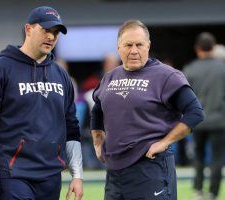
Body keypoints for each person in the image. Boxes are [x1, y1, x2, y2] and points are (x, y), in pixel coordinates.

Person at [0, 6, 83, 200]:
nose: (51, 37)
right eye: (46, 30)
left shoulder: (62, 76)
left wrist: (77, 175)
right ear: (28, 29)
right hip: (11, 173)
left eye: (55, 32)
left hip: (50, 175)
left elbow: (71, 127)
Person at [91, 20, 205, 200]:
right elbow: (97, 109)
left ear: (148, 46)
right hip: (114, 173)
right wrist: (98, 140)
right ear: (119, 47)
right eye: (128, 45)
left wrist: (164, 142)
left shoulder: (167, 76)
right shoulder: (109, 77)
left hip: (151, 169)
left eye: (139, 45)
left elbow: (195, 112)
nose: (134, 50)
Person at [183, 32, 225, 200]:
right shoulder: (223, 69)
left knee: (198, 156)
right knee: (218, 158)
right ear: (213, 48)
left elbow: (184, 98)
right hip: (219, 121)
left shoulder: (190, 69)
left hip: (197, 121)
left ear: (197, 49)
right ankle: (213, 193)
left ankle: (198, 191)